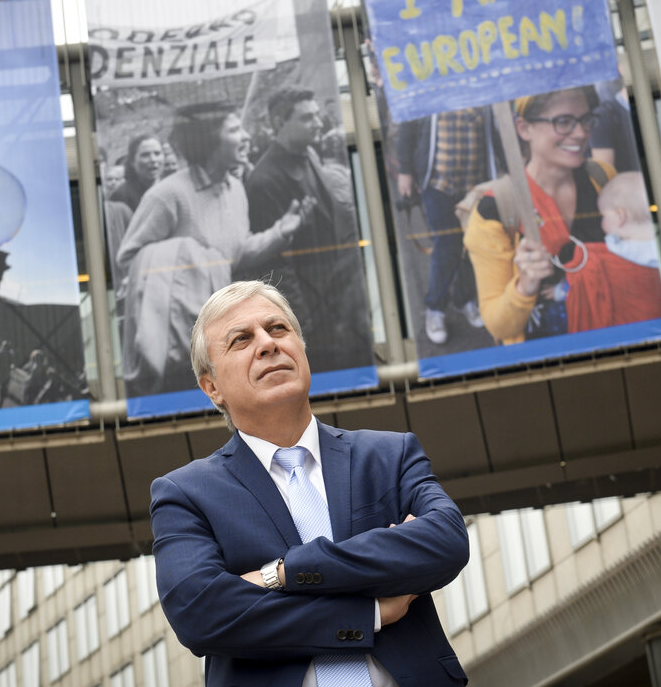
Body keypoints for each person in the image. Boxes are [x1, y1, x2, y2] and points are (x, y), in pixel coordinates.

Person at [150, 280, 469, 687]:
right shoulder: (185, 494)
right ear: (211, 387)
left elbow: (446, 541)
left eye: (278, 329)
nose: (267, 344)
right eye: (241, 340)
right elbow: (201, 613)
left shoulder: (389, 455)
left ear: (302, 349)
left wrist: (284, 573)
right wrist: (367, 613)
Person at [115, 103, 307, 394]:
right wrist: (189, 257)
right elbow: (128, 257)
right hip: (178, 347)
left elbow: (235, 255)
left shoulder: (235, 189)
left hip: (222, 337)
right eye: (234, 130)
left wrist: (281, 232)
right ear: (209, 141)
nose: (244, 137)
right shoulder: (167, 195)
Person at [463, 86, 612, 343]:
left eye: (586, 119)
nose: (581, 133)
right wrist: (525, 286)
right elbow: (499, 326)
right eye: (563, 122)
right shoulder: (495, 211)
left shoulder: (603, 178)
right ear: (523, 129)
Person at [245, 87, 373, 372]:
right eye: (307, 118)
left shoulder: (309, 153)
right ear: (280, 123)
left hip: (340, 301)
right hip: (314, 319)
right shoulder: (264, 181)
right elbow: (276, 268)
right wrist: (302, 326)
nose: (318, 123)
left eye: (317, 116)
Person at [395, 107, 501, 345]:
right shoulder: (430, 83)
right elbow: (407, 127)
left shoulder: (479, 89)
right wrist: (405, 171)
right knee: (447, 246)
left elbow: (494, 133)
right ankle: (435, 308)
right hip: (438, 184)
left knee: (474, 244)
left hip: (474, 184)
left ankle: (464, 299)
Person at [568, 172, 661, 332]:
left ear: (621, 216)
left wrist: (558, 292)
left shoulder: (610, 252)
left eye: (603, 216)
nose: (602, 223)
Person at [109, 134, 164, 213]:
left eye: (157, 153)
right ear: (132, 161)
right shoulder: (121, 196)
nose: (153, 159)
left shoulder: (171, 188)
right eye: (145, 155)